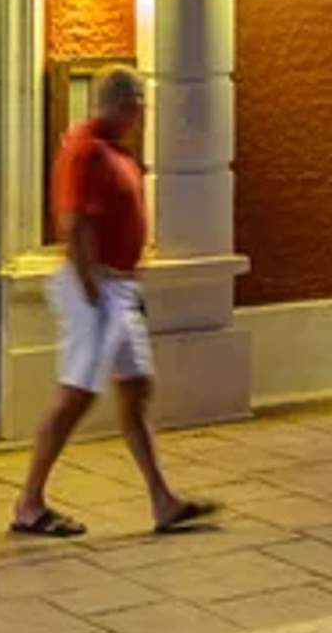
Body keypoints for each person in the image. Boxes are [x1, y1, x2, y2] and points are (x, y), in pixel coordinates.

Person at [11, 67, 215, 538]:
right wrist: (92, 294)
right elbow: (75, 223)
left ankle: (162, 500)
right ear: (124, 104)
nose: (142, 113)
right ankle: (29, 502)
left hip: (117, 288)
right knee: (75, 396)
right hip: (97, 286)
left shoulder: (111, 149)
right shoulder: (86, 151)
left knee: (135, 387)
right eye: (139, 104)